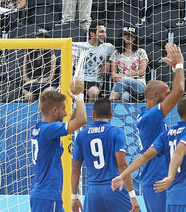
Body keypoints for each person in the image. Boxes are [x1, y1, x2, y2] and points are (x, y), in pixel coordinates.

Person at [112, 96, 186, 211]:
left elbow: (145, 156)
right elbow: (179, 151)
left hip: (172, 196)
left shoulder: (167, 133)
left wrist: (122, 176)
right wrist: (170, 176)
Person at [132, 43, 185, 212]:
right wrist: (179, 65)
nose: (170, 93)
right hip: (155, 181)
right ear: (156, 96)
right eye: (166, 91)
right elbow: (179, 92)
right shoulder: (151, 117)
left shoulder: (147, 114)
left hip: (160, 178)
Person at [71, 97, 140, 212]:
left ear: (93, 114)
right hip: (114, 188)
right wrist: (132, 195)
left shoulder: (82, 135)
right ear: (111, 115)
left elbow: (76, 168)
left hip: (93, 192)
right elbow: (122, 165)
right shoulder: (116, 132)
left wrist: (74, 197)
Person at [29, 79, 87, 212]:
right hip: (47, 195)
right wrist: (79, 96)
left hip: (44, 194)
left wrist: (77, 104)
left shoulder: (41, 128)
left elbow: (72, 121)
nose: (66, 113)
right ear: (55, 111)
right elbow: (82, 120)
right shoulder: (49, 130)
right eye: (63, 109)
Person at [72, 20, 115, 101]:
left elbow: (117, 55)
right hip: (78, 80)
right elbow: (69, 62)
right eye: (101, 32)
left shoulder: (108, 47)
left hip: (94, 82)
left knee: (94, 93)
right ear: (92, 33)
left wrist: (108, 62)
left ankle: (88, 112)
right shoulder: (80, 46)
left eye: (105, 32)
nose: (104, 35)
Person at [109, 26, 148, 102]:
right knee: (124, 96)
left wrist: (124, 76)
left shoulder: (141, 52)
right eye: (126, 34)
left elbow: (142, 71)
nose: (128, 37)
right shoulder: (116, 53)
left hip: (139, 84)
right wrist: (126, 77)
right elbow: (113, 75)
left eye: (131, 35)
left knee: (124, 80)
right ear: (122, 36)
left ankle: (108, 104)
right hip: (121, 86)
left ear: (134, 38)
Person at [22, 28, 56, 101]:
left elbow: (51, 77)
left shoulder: (52, 55)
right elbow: (25, 77)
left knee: (48, 93)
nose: (40, 39)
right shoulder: (28, 54)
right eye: (38, 36)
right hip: (31, 83)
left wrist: (41, 80)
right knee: (29, 95)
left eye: (42, 37)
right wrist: (36, 80)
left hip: (45, 85)